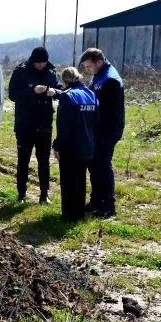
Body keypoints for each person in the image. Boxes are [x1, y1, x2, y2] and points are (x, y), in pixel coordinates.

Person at [7, 46, 61, 204]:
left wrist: (54, 92)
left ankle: (44, 195)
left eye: (43, 63)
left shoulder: (50, 72)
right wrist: (32, 91)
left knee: (44, 161)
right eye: (38, 63)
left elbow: (59, 89)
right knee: (23, 160)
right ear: (33, 61)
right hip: (25, 123)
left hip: (44, 123)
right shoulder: (21, 71)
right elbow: (13, 94)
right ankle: (21, 195)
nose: (41, 66)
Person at [79, 48, 125, 218]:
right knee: (94, 165)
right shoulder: (99, 75)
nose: (88, 70)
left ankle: (109, 205)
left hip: (108, 130)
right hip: (97, 130)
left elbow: (107, 111)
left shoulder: (111, 80)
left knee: (103, 165)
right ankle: (96, 200)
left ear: (99, 62)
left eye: (89, 66)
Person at [53, 67, 99, 221]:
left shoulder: (67, 96)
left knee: (68, 181)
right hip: (88, 145)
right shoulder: (91, 94)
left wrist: (57, 145)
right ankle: (80, 213)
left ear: (64, 81)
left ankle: (68, 215)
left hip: (71, 147)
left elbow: (63, 125)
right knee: (80, 179)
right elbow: (96, 122)